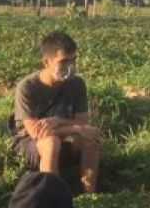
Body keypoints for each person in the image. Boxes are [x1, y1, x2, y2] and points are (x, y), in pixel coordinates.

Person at [10, 31, 100, 193]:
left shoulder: (77, 84)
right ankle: (52, 198)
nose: (70, 67)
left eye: (73, 60)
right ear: (46, 62)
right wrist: (75, 128)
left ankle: (89, 196)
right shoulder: (27, 87)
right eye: (64, 61)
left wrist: (59, 121)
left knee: (90, 138)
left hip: (63, 138)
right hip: (30, 143)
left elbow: (82, 122)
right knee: (51, 142)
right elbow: (36, 132)